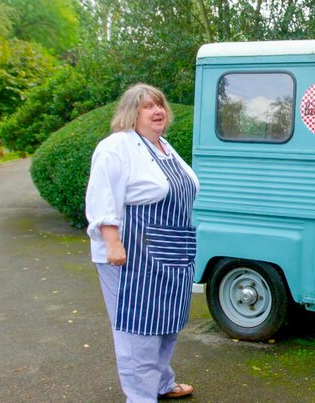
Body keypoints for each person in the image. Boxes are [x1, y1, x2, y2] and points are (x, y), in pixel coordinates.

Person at [85, 83, 199, 402]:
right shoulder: (116, 146)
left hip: (174, 251)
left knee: (167, 322)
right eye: (148, 106)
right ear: (131, 113)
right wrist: (112, 242)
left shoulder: (164, 146)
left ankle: (161, 382)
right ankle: (140, 397)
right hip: (131, 252)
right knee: (138, 330)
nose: (157, 110)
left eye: (159, 104)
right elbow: (102, 195)